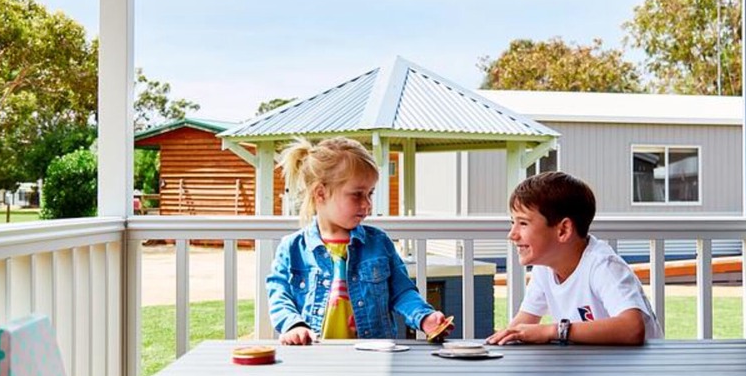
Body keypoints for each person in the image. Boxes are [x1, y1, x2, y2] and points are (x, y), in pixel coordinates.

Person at [266, 137, 452, 345]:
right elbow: (279, 295)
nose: (367, 204)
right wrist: (293, 325)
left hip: (372, 353)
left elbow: (402, 291)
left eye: (370, 193)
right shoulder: (292, 249)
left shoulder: (379, 243)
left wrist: (424, 317)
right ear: (321, 193)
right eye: (357, 195)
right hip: (314, 355)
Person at [486, 171, 662, 346]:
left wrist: (553, 331)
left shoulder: (603, 265)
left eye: (523, 223)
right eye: (513, 222)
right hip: (597, 361)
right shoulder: (545, 267)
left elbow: (632, 328)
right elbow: (519, 328)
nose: (512, 234)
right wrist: (490, 347)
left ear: (563, 230)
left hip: (639, 364)